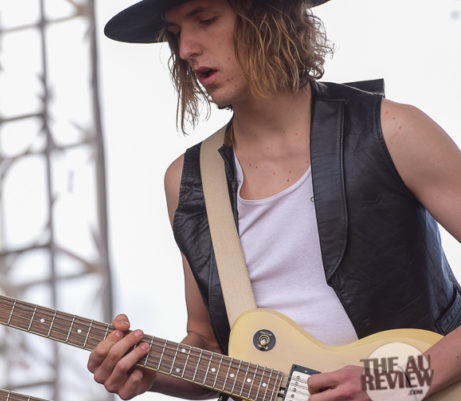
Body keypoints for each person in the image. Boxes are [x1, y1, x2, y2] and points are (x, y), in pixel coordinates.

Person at [87, 0, 461, 400]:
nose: (185, 49)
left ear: (267, 16)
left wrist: (392, 383)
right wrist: (150, 372)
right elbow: (212, 345)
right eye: (175, 33)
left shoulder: (392, 131)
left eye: (206, 20)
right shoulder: (190, 182)